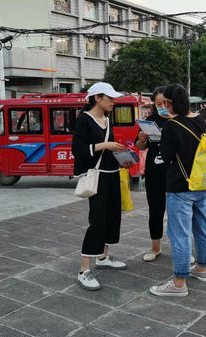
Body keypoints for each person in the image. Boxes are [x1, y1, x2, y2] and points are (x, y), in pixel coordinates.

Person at [150, 84, 206, 297]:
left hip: (180, 185)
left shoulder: (171, 125)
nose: (164, 106)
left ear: (170, 102)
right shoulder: (203, 121)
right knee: (202, 227)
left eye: (165, 102)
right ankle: (201, 268)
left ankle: (179, 283)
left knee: (180, 234)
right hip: (202, 182)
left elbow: (166, 155)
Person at [72, 82, 131, 291]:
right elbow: (77, 149)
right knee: (97, 221)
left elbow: (107, 152)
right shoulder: (84, 120)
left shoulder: (106, 119)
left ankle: (103, 257)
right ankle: (84, 270)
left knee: (112, 217)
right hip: (98, 177)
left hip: (113, 175)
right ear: (97, 98)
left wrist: (122, 159)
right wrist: (105, 145)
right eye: (110, 98)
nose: (113, 102)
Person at [136, 87, 172, 262]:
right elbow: (140, 146)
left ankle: (183, 248)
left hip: (175, 173)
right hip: (154, 172)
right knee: (155, 210)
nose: (162, 106)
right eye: (158, 104)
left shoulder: (179, 120)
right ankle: (155, 247)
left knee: (178, 213)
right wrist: (142, 140)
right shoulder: (150, 121)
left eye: (165, 103)